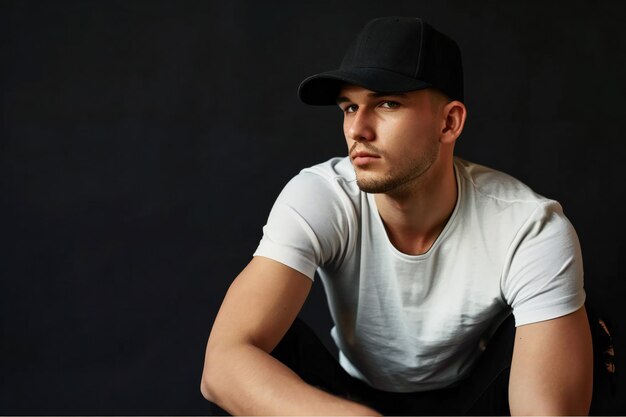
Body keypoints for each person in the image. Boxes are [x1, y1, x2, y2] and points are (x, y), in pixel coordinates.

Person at [200, 16, 593, 416]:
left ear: (449, 122)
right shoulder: (321, 195)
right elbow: (221, 367)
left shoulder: (528, 227)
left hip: (471, 400)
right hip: (350, 396)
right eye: (350, 107)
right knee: (257, 360)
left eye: (387, 103)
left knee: (580, 325)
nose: (358, 129)